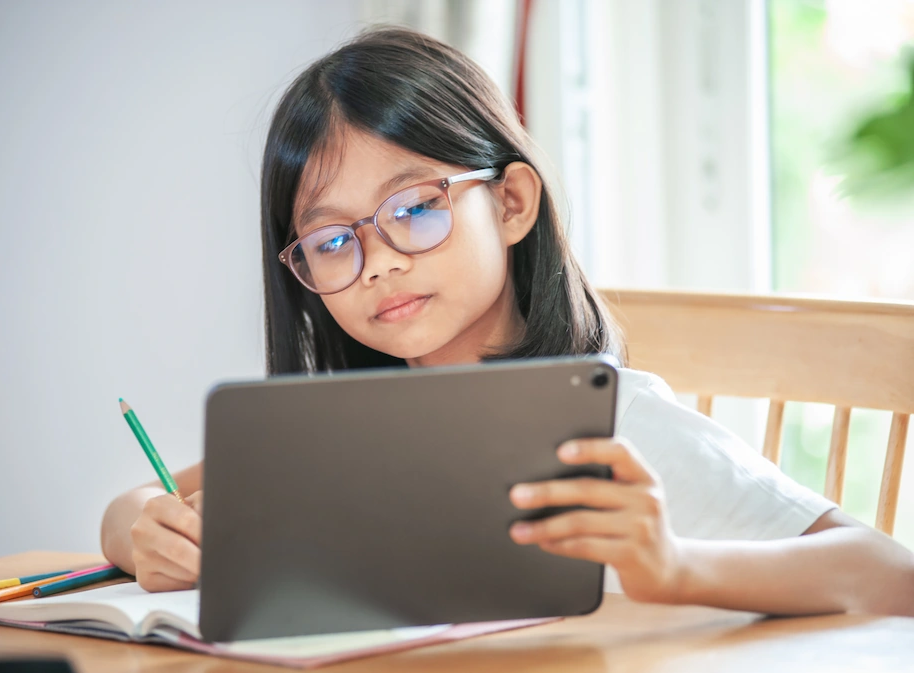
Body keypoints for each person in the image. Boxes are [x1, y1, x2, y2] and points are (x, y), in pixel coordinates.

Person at [101, 27, 914, 616]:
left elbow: (890, 573)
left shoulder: (615, 422)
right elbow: (136, 500)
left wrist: (678, 565)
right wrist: (146, 527)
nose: (378, 260)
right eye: (332, 238)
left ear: (512, 201)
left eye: (415, 208)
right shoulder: (337, 435)